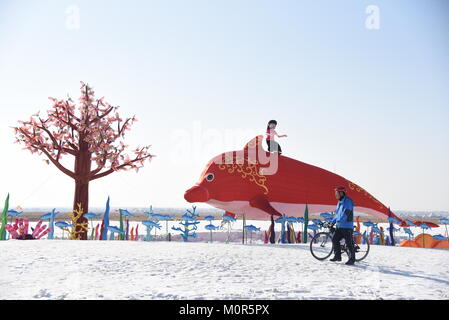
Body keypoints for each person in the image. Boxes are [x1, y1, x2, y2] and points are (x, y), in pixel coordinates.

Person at [330, 186, 356, 265]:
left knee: (349, 243)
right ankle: (337, 256)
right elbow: (337, 214)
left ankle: (352, 259)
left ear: (341, 193)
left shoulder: (348, 202)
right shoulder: (339, 203)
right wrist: (332, 222)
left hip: (347, 226)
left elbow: (345, 214)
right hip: (340, 226)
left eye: (336, 193)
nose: (335, 194)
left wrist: (338, 220)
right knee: (334, 239)